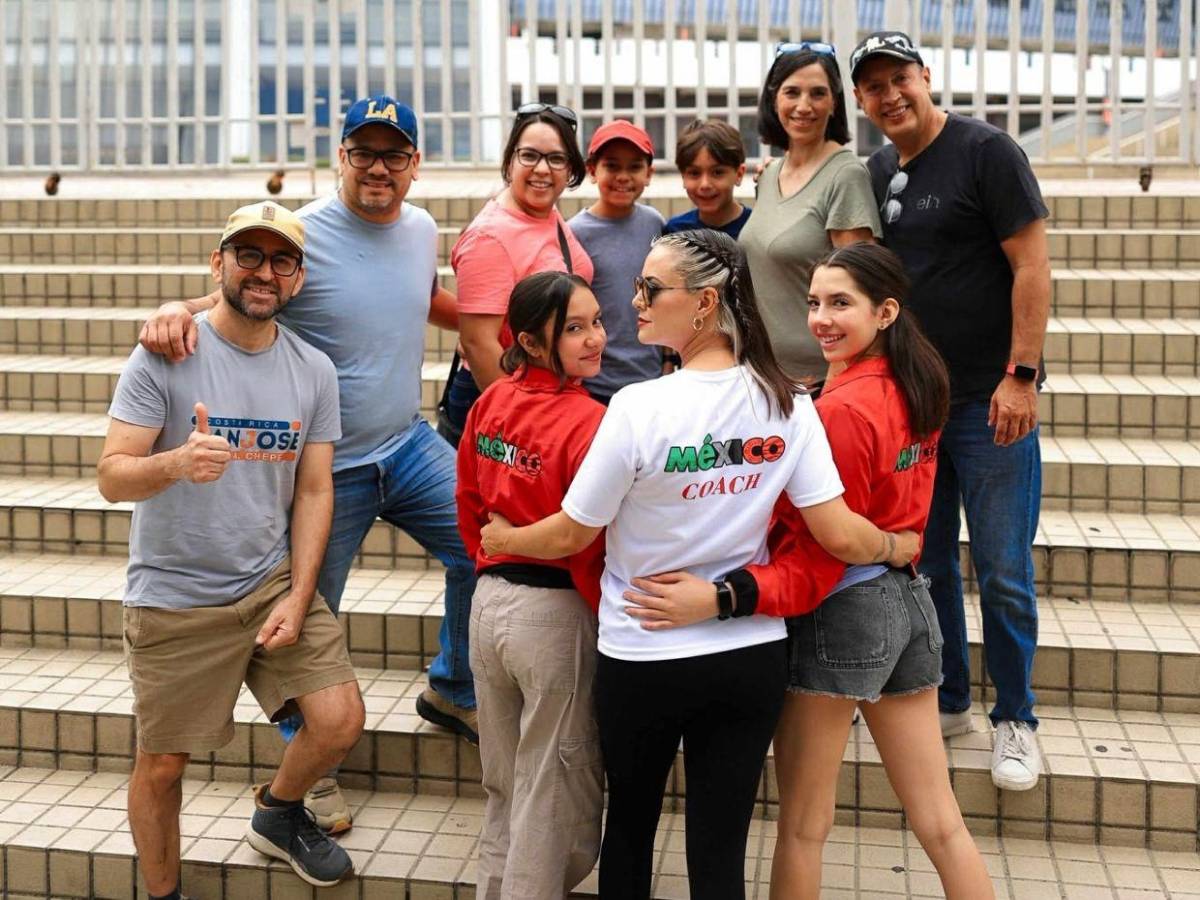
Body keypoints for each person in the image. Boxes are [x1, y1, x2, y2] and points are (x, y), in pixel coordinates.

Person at [478, 230, 918, 900]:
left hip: (642, 651)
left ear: (706, 303)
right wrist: (894, 546)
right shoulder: (791, 404)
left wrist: (504, 536)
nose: (635, 303)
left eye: (651, 289)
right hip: (747, 656)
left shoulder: (635, 409)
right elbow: (836, 533)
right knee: (720, 853)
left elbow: (572, 533)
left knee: (629, 834)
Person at [136, 95, 478, 831]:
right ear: (341, 159)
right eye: (364, 151)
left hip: (408, 444)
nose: (378, 167)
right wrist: (173, 312)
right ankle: (307, 766)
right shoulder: (303, 238)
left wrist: (501, 319)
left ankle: (453, 684)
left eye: (394, 154)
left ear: (415, 166)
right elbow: (238, 295)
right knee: (302, 618)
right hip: (329, 467)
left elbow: (420, 300)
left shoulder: (420, 229)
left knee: (487, 543)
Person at [99, 202, 365, 897]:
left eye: (281, 260)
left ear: (298, 280)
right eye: (248, 255)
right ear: (217, 265)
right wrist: (175, 464)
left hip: (269, 583)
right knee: (161, 766)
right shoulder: (165, 354)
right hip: (176, 596)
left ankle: (278, 816)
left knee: (338, 721)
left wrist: (300, 595)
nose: (263, 272)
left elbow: (313, 494)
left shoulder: (314, 370)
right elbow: (111, 476)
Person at [850, 31, 1051, 790]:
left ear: (925, 76)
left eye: (899, 78)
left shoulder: (986, 152)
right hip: (915, 408)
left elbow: (1031, 263)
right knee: (925, 565)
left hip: (990, 401)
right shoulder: (874, 170)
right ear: (864, 102)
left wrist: (1021, 375)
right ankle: (951, 700)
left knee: (1002, 568)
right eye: (873, 87)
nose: (890, 95)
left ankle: (1017, 720)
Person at [457, 271, 607, 899]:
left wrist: (492, 554)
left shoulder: (491, 401)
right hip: (554, 613)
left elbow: (467, 502)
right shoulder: (590, 420)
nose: (596, 337)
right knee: (550, 787)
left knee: (506, 780)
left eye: (597, 320)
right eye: (575, 327)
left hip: (488, 607)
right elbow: (591, 538)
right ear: (530, 340)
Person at [739, 41, 879, 387]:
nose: (804, 106)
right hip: (763, 373)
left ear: (834, 103)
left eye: (818, 94)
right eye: (792, 92)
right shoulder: (769, 174)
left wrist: (838, 378)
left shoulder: (845, 175)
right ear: (774, 99)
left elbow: (862, 288)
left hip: (817, 380)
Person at [447, 103, 594, 430]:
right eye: (529, 155)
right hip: (505, 399)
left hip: (550, 391)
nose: (543, 169)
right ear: (510, 160)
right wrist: (522, 425)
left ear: (570, 169)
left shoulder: (546, 215)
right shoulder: (490, 236)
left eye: (556, 158)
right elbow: (478, 343)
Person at [568, 120, 665, 403]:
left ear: (649, 174)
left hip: (651, 380)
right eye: (612, 166)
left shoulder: (654, 223)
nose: (623, 176)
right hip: (595, 386)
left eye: (634, 167)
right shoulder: (574, 233)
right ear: (591, 171)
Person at [662, 119, 752, 239]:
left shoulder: (755, 228)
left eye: (717, 172)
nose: (705, 184)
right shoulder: (675, 232)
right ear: (683, 177)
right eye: (694, 173)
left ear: (739, 174)